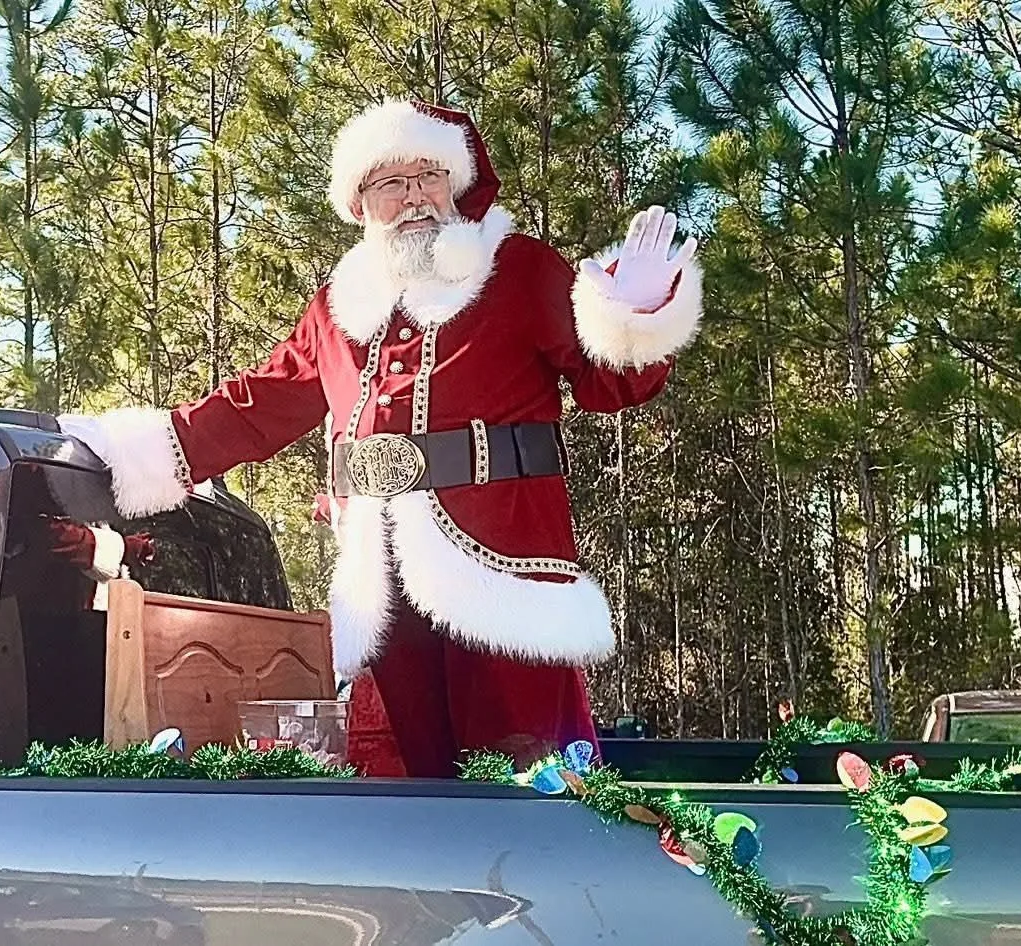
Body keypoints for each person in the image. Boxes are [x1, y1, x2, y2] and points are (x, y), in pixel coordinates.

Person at [58, 99, 704, 777]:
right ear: (360, 203)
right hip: (382, 580)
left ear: (455, 185)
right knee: (398, 782)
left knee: (530, 776)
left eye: (429, 176)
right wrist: (132, 449)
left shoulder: (516, 268)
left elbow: (613, 386)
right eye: (391, 183)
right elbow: (262, 402)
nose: (415, 197)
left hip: (505, 576)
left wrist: (633, 315)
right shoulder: (339, 305)